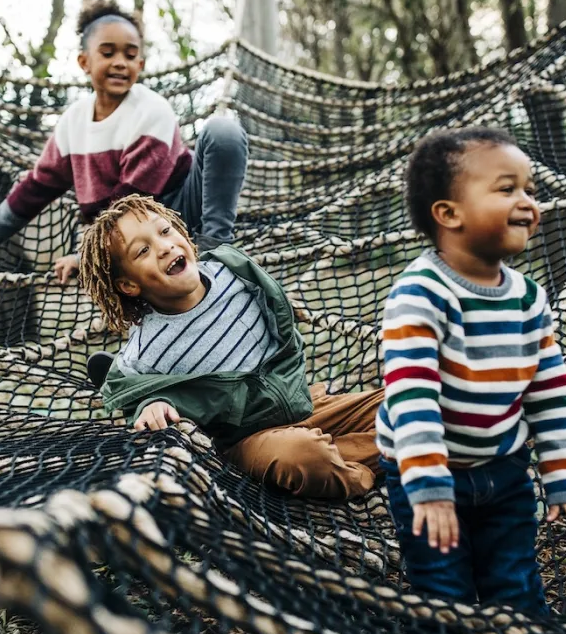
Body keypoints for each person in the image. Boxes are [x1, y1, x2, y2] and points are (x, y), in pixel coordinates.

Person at [379, 126, 566, 615]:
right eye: (507, 189)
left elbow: (550, 392)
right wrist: (429, 489)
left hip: (505, 471)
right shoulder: (420, 294)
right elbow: (411, 396)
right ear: (449, 214)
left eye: (530, 190)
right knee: (443, 591)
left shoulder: (528, 297)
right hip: (428, 473)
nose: (527, 202)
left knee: (516, 586)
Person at [80, 194, 381, 500]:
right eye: (143, 250)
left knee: (409, 405)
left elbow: (281, 327)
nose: (164, 247)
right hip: (251, 440)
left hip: (302, 402)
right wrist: (149, 405)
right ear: (130, 286)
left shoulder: (232, 273)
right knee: (304, 456)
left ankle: (356, 454)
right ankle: (361, 472)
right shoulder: (149, 348)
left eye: (165, 231)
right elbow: (128, 391)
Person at [0, 0, 249, 282]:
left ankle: (215, 249)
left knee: (223, 132)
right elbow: (35, 188)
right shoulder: (72, 123)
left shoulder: (151, 110)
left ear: (140, 64)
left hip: (180, 208)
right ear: (84, 61)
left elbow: (131, 198)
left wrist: (85, 255)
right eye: (108, 53)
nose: (120, 62)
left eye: (130, 55)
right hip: (130, 235)